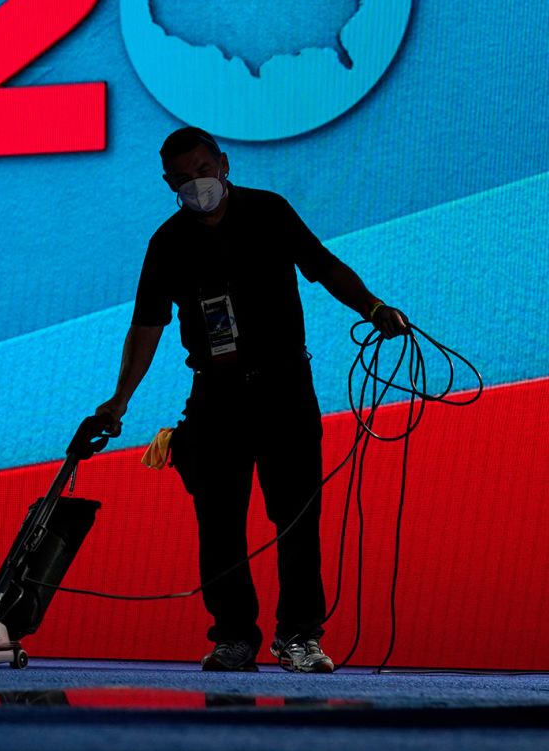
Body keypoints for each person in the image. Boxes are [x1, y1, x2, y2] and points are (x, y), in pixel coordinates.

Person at [94, 126, 409, 673]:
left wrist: (373, 307)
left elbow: (325, 268)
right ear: (169, 183)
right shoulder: (167, 243)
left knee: (297, 519)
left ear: (224, 164)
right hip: (216, 398)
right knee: (219, 525)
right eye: (184, 179)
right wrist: (118, 401)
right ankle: (234, 637)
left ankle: (299, 637)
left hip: (285, 388)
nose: (197, 185)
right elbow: (146, 326)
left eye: (203, 170)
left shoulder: (269, 212)